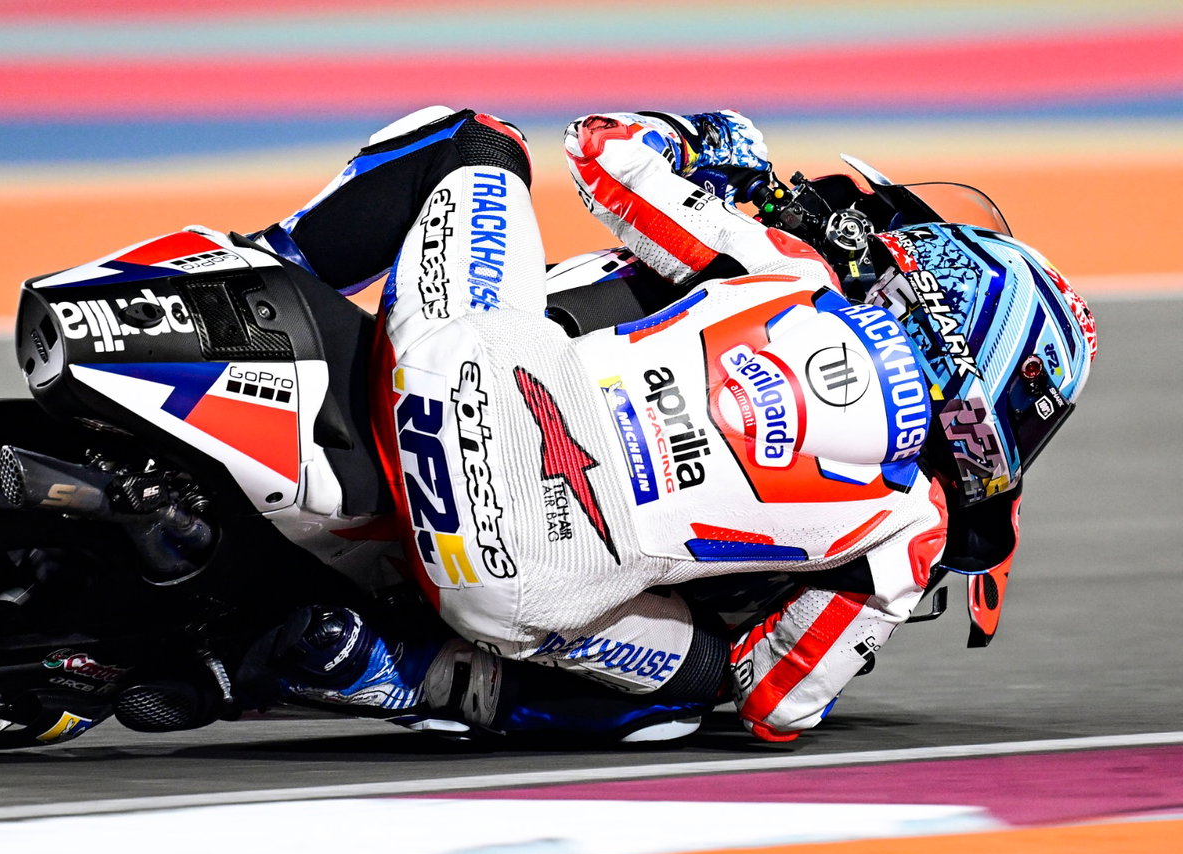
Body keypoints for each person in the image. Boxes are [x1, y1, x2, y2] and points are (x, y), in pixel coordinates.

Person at [214, 103, 1098, 745]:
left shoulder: (790, 268)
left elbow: (600, 150)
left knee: (472, 141)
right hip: (503, 580)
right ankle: (405, 676)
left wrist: (720, 148)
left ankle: (253, 270)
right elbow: (777, 703)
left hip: (447, 379)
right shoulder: (915, 529)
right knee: (699, 688)